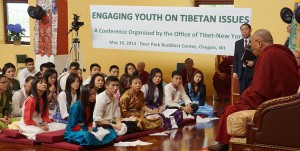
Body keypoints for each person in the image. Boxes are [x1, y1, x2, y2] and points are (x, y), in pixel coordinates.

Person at [208, 29, 300, 151]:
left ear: (259, 42)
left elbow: (261, 88)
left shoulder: (267, 56)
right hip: (288, 103)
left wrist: (244, 97)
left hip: (270, 104)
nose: (251, 48)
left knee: (230, 110)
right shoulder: (286, 53)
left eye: (251, 44)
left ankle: (224, 145)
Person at [233, 23, 256, 95]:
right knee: (242, 93)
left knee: (251, 92)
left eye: (246, 29)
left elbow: (260, 56)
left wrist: (253, 62)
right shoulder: (238, 43)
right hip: (241, 72)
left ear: (250, 30)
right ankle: (243, 106)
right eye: (242, 30)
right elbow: (236, 57)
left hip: (252, 71)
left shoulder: (255, 41)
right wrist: (234, 71)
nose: (244, 31)